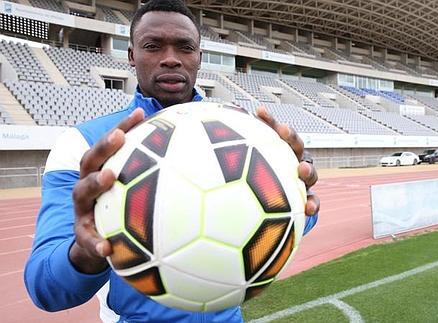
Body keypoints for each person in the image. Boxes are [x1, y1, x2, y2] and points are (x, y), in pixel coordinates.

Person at [23, 0, 320, 321]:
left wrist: (298, 195)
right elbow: (45, 288)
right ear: (132, 55)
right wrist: (85, 251)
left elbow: (279, 222)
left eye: (185, 47)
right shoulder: (83, 145)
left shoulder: (245, 135)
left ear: (199, 58)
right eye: (153, 46)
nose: (170, 59)